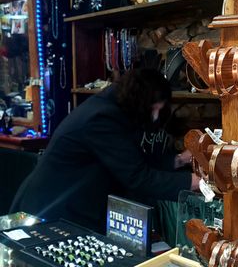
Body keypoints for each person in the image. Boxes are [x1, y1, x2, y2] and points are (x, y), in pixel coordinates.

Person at [11, 69, 199, 233]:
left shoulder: (112, 108)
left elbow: (131, 159)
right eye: (155, 108)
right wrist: (195, 182)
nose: (156, 116)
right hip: (49, 211)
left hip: (64, 206)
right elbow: (137, 177)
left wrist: (179, 160)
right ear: (143, 101)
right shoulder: (102, 119)